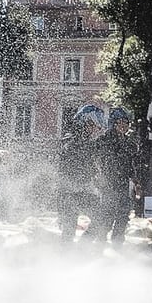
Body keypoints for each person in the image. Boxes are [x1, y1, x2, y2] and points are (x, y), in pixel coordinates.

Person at [55, 104, 107, 244]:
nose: (95, 129)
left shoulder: (88, 142)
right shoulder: (71, 142)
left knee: (101, 219)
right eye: (91, 125)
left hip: (83, 191)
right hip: (70, 193)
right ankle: (68, 257)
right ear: (83, 123)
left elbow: (89, 166)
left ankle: (81, 249)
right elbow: (65, 171)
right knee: (69, 230)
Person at [95, 107, 139, 245]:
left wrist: (136, 181)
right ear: (113, 123)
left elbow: (130, 165)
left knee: (123, 215)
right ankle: (100, 243)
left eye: (126, 123)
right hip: (108, 185)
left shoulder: (128, 143)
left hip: (122, 186)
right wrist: (99, 177)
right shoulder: (104, 140)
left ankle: (117, 243)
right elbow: (97, 162)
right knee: (107, 217)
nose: (124, 126)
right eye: (120, 122)